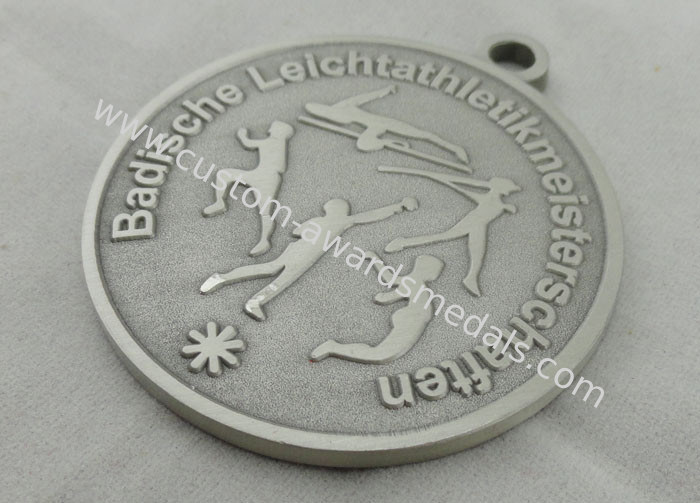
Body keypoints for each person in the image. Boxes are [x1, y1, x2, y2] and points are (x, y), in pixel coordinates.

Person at [201, 197, 419, 321]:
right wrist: (397, 207)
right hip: (303, 254)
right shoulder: (340, 222)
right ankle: (236, 288)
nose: (345, 213)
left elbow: (298, 232)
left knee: (274, 273)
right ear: (337, 211)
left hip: (300, 251)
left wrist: (396, 208)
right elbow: (369, 216)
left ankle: (241, 292)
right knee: (276, 274)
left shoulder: (320, 221)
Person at [381, 166, 520, 297]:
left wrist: (506, 207)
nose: (510, 191)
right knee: (443, 237)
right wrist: (446, 181)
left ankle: (471, 278)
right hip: (472, 222)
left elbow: (497, 206)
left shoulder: (500, 204)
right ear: (500, 188)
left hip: (480, 226)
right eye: (509, 188)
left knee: (478, 252)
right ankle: (404, 242)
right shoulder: (486, 198)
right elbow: (462, 189)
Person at [310, 253, 444, 364]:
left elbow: (389, 279)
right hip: (411, 321)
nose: (436, 274)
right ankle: (333, 347)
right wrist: (382, 295)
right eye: (436, 270)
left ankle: (334, 347)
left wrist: (374, 259)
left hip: (412, 320)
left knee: (380, 353)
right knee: (381, 354)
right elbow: (387, 292)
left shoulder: (413, 282)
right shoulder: (415, 282)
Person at [304, 85, 469, 163]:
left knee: (422, 134)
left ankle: (455, 149)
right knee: (363, 144)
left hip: (380, 122)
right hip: (372, 128)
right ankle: (389, 142)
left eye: (320, 110)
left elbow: (364, 97)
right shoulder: (331, 116)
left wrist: (384, 91)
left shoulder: (342, 106)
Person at [203, 121, 294, 257]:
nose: (269, 130)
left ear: (279, 132)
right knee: (224, 174)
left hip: (267, 179)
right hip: (259, 175)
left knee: (265, 211)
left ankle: (264, 240)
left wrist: (242, 135)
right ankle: (219, 202)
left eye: (273, 128)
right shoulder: (277, 143)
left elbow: (248, 143)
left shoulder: (273, 143)